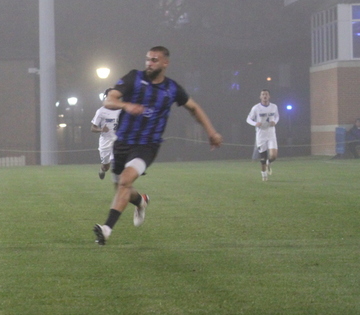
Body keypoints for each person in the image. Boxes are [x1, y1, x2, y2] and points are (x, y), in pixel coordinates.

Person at [93, 46, 223, 246]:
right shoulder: (133, 78)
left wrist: (211, 132)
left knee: (125, 181)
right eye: (147, 59)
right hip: (123, 143)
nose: (149, 63)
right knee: (121, 187)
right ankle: (140, 201)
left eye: (154, 60)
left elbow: (194, 108)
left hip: (147, 146)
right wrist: (126, 105)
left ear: (165, 63)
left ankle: (107, 229)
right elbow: (109, 100)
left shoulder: (172, 89)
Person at [246, 89, 279, 181]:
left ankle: (269, 162)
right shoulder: (256, 108)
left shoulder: (274, 107)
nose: (265, 96)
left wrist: (275, 122)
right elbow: (248, 119)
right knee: (263, 158)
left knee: (274, 156)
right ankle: (264, 175)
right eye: (263, 94)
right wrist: (255, 123)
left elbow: (277, 116)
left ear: (269, 96)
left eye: (266, 94)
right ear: (260, 97)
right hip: (261, 135)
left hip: (271, 134)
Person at [90, 90, 121, 180]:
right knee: (106, 166)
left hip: (118, 141)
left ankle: (119, 184)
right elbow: (92, 128)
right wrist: (101, 129)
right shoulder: (101, 111)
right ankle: (102, 169)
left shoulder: (121, 110)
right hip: (105, 141)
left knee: (116, 162)